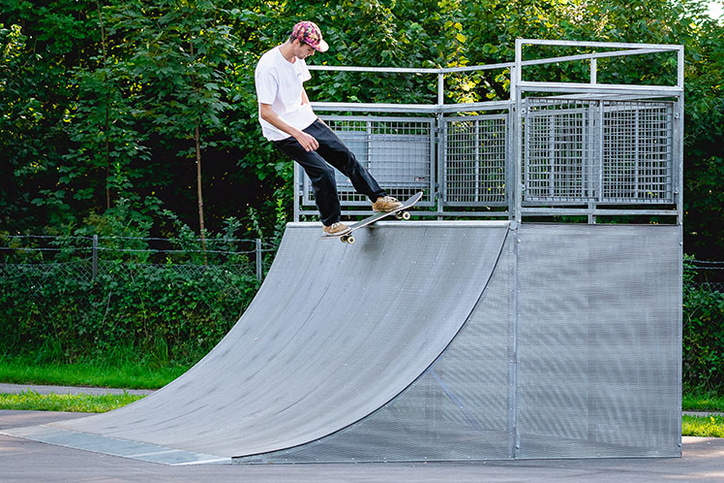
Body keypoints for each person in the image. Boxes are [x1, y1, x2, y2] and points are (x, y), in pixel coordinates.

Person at [254, 20, 403, 236]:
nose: (311, 53)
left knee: (345, 155)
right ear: (296, 41)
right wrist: (299, 134)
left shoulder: (298, 58)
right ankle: (331, 223)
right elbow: (265, 113)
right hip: (282, 131)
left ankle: (378, 199)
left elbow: (299, 87)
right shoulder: (268, 67)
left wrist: (311, 116)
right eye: (309, 49)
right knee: (323, 171)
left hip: (305, 120)